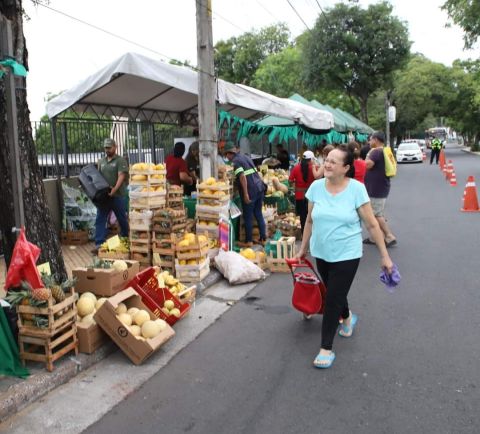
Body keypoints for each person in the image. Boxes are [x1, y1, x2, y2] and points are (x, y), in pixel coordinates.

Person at [296, 145, 394, 368]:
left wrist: (384, 256)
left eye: (333, 162)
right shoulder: (316, 187)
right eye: (326, 160)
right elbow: (309, 220)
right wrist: (303, 248)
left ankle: (326, 348)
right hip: (321, 251)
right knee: (334, 292)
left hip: (347, 254)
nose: (327, 164)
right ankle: (348, 317)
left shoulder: (356, 189)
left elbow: (371, 224)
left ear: (346, 167)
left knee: (332, 299)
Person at [223, 141, 266, 247]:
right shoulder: (245, 157)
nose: (227, 158)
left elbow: (242, 177)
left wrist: (246, 194)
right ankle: (263, 239)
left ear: (229, 153)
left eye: (226, 155)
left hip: (250, 190)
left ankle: (249, 241)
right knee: (258, 213)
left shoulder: (236, 161)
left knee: (248, 216)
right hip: (259, 187)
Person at [94, 138, 129, 251]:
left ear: (115, 147)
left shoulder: (120, 161)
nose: (107, 150)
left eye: (109, 147)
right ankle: (99, 244)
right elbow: (98, 177)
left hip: (118, 195)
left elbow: (122, 176)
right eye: (106, 148)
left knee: (122, 218)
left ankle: (125, 238)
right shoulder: (101, 162)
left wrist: (114, 190)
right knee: (100, 219)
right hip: (105, 197)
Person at [363, 131, 397, 247]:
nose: (369, 141)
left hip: (376, 189)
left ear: (376, 140)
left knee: (376, 214)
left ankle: (388, 236)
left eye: (371, 139)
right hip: (380, 186)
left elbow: (367, 165)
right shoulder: (383, 150)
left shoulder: (376, 152)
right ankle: (375, 237)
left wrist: (366, 157)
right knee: (375, 213)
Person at [289, 150, 322, 233]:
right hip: (312, 196)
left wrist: (294, 186)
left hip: (300, 196)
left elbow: (290, 180)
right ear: (311, 159)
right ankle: (313, 233)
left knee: (303, 217)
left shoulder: (296, 168)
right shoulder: (315, 168)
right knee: (313, 216)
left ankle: (304, 233)